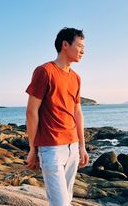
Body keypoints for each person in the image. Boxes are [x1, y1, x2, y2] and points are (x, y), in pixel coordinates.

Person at [25, 27, 89, 206]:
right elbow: (31, 111)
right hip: (51, 148)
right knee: (60, 203)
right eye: (80, 46)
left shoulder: (76, 78)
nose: (83, 51)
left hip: (73, 147)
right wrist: (32, 148)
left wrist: (82, 146)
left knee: (67, 200)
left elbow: (77, 111)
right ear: (65, 45)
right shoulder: (44, 71)